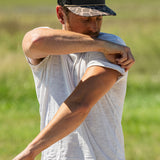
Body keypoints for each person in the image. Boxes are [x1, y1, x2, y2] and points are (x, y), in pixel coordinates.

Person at [13, 0, 135, 160]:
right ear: (61, 15)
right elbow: (34, 42)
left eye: (99, 18)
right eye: (85, 19)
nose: (94, 27)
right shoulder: (105, 47)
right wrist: (99, 45)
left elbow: (80, 104)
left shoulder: (113, 46)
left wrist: (31, 151)